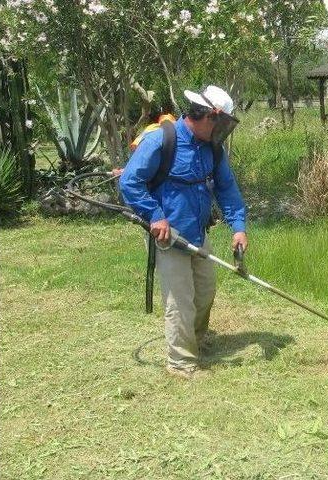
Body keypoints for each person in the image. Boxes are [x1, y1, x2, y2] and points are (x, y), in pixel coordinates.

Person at [119, 85, 247, 379]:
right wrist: (155, 216)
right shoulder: (162, 140)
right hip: (170, 236)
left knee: (205, 291)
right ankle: (181, 363)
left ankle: (197, 340)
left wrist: (238, 227)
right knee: (180, 302)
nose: (222, 131)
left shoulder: (212, 150)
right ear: (207, 116)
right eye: (222, 123)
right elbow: (130, 182)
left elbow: (227, 188)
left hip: (198, 233)